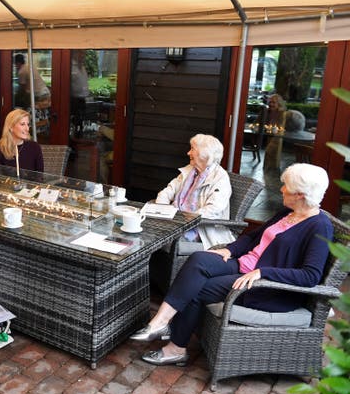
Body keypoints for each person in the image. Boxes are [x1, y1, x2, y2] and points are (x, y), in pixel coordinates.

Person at [131, 163, 332, 366]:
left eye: (286, 186)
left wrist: (264, 272)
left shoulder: (319, 226)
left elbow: (310, 276)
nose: (281, 189)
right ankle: (161, 322)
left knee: (197, 288)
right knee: (200, 259)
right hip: (244, 265)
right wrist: (230, 250)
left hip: (266, 289)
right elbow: (254, 237)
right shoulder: (287, 212)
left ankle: (175, 348)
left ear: (300, 195)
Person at [155, 134, 234, 252]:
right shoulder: (189, 171)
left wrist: (183, 221)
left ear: (204, 153)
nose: (188, 153)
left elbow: (213, 210)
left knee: (153, 238)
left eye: (192, 149)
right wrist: (162, 211)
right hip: (175, 222)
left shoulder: (220, 178)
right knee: (145, 230)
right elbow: (167, 191)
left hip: (200, 232)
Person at [263, 93, 287, 171]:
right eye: (270, 102)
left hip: (277, 137)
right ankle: (266, 170)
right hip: (269, 135)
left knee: (271, 153)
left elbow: (280, 128)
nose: (271, 104)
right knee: (268, 155)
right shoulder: (267, 112)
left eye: (273, 102)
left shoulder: (282, 113)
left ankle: (272, 171)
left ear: (279, 104)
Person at [70, 50, 89, 125]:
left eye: (84, 53)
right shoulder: (70, 66)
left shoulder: (82, 66)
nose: (83, 55)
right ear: (74, 53)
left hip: (82, 101)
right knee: (74, 122)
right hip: (73, 100)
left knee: (80, 122)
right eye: (81, 53)